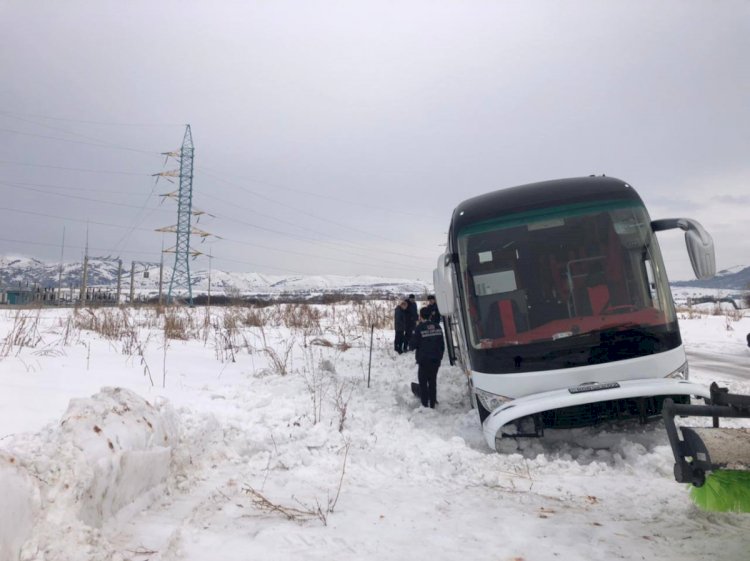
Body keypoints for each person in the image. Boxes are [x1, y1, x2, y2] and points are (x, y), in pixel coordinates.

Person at [410, 307, 445, 408]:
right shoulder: (438, 327)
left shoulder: (419, 328)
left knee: (423, 382)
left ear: (420, 316)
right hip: (435, 360)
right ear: (430, 315)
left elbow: (413, 345)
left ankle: (425, 404)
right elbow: (442, 345)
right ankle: (433, 403)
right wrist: (439, 357)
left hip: (424, 360)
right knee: (432, 381)